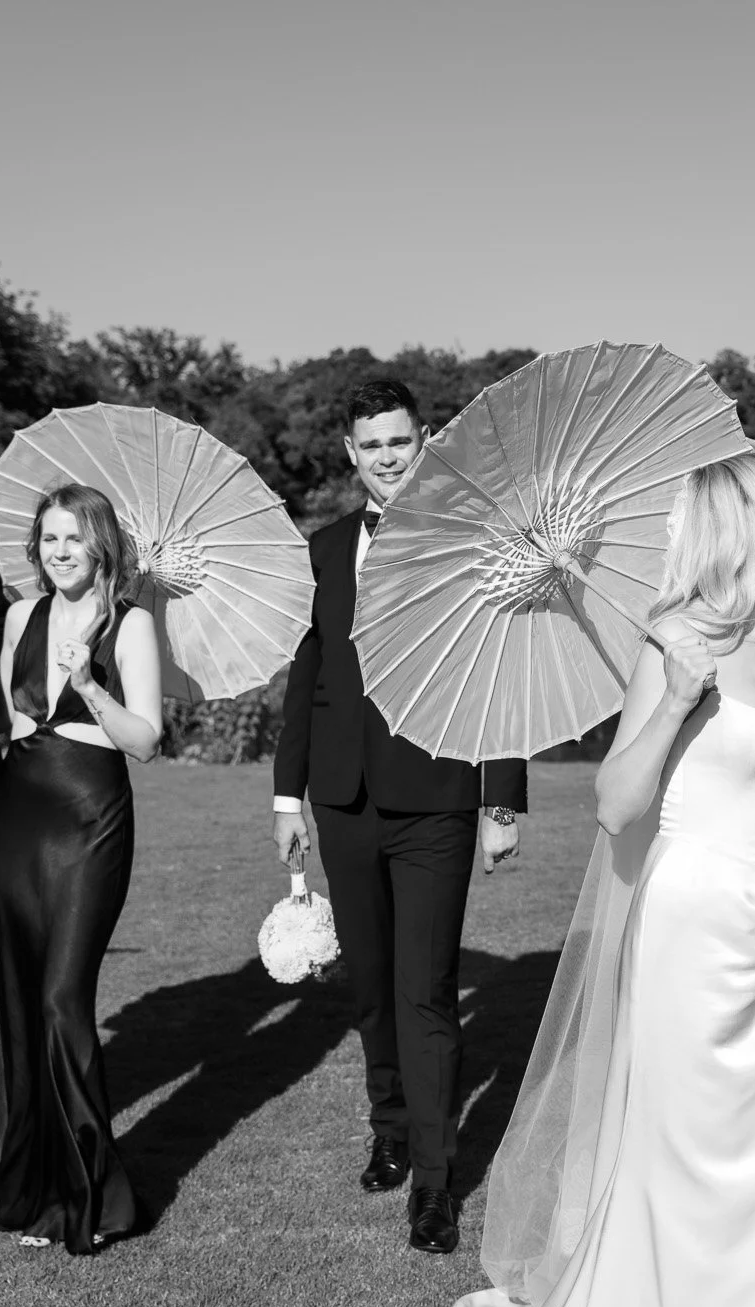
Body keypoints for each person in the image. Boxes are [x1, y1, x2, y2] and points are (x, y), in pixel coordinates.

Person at [446, 453, 755, 1307]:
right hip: (695, 922)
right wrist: (676, 699)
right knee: (686, 1148)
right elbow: (616, 803)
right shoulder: (674, 640)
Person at [270, 378, 528, 1255]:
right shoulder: (325, 548)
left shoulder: (467, 541)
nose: (386, 456)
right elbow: (307, 679)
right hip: (342, 799)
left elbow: (503, 668)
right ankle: (388, 1122)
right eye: (370, 443)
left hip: (438, 800)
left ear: (424, 441)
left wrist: (501, 797)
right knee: (371, 984)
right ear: (350, 451)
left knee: (425, 992)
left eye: (399, 441)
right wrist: (285, 794)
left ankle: (433, 1176)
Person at [0, 484, 162, 1253]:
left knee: (63, 997)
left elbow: (147, 739)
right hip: (17, 819)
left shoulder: (132, 625)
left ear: (102, 546)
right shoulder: (19, 617)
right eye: (49, 538)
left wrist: (89, 683)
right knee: (22, 1000)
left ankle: (90, 1194)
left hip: (90, 820)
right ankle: (30, 1186)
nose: (60, 551)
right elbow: (12, 718)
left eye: (75, 539)